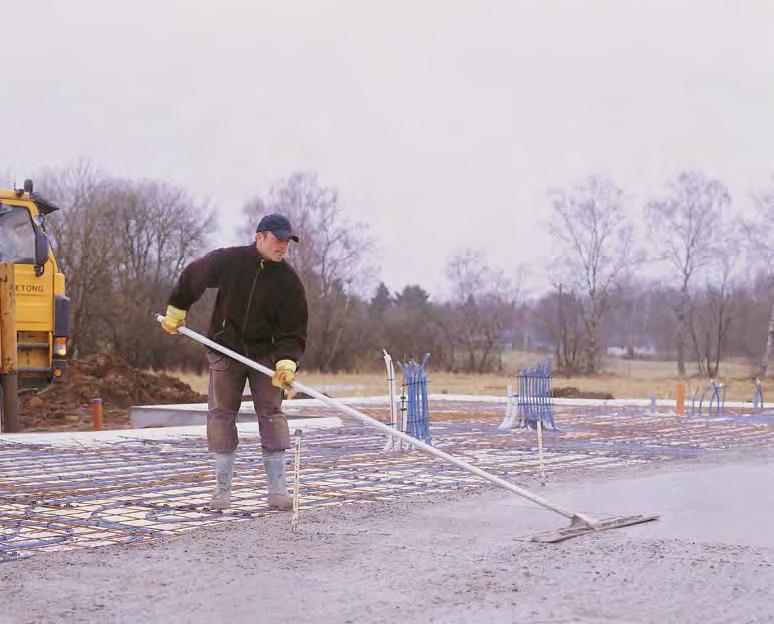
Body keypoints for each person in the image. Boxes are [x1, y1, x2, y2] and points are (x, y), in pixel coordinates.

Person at [159, 214, 308, 511]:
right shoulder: (230, 262)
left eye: (287, 241)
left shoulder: (289, 282)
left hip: (266, 355)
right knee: (221, 414)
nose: (283, 246)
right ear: (260, 237)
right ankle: (222, 490)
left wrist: (287, 363)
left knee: (272, 413)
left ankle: (278, 490)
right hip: (225, 349)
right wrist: (178, 307)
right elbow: (194, 275)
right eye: (278, 240)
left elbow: (294, 330)